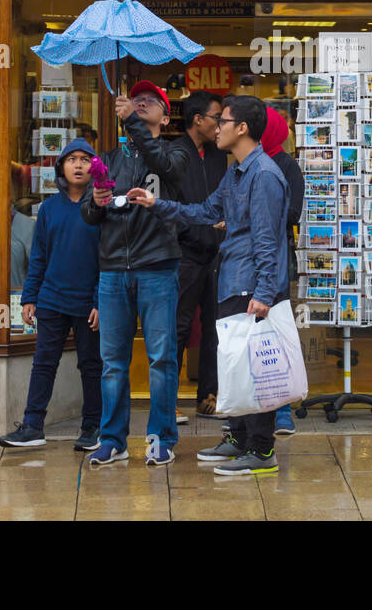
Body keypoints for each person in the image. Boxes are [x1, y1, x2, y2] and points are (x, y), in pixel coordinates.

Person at [127, 95, 290, 477]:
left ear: (243, 128)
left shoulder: (264, 175)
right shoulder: (235, 172)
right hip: (232, 278)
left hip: (252, 285)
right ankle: (238, 438)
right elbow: (205, 212)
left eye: (225, 121)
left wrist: (265, 292)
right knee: (234, 365)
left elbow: (268, 239)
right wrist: (157, 204)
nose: (218, 127)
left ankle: (262, 449)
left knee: (255, 367)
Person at [82, 81, 190, 467]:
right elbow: (90, 215)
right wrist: (95, 203)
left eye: (151, 101)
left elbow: (161, 165)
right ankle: (113, 438)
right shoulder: (108, 159)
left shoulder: (176, 153)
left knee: (162, 358)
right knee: (112, 361)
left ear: (165, 115)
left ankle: (162, 437)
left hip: (158, 266)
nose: (141, 103)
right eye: (136, 99)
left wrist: (132, 123)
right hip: (113, 270)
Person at [0, 138, 102, 450]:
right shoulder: (48, 209)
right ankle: (32, 426)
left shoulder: (101, 206)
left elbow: (107, 258)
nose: (79, 164)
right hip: (52, 299)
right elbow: (39, 256)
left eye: (86, 159)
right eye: (72, 159)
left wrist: (100, 301)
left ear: (94, 167)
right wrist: (30, 296)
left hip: (88, 303)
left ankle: (93, 427)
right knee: (44, 363)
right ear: (61, 166)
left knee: (91, 365)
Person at [172, 91, 227, 420]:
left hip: (216, 253)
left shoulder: (219, 154)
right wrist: (197, 229)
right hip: (185, 253)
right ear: (197, 119)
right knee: (177, 327)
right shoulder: (175, 154)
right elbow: (172, 207)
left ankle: (208, 395)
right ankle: (169, 399)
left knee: (215, 327)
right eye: (217, 117)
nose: (221, 125)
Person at [261, 105, 303, 438]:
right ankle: (255, 405)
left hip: (275, 258)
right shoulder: (241, 164)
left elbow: (293, 214)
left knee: (277, 329)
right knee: (252, 332)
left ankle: (283, 410)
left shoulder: (287, 167)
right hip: (248, 259)